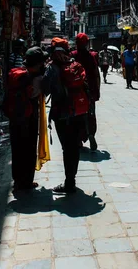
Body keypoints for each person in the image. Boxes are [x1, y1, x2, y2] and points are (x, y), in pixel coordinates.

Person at [43, 38, 89, 193]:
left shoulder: (52, 67)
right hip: (78, 112)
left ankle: (69, 183)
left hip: (62, 114)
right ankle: (71, 179)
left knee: (66, 148)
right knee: (74, 147)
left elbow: (45, 90)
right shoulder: (73, 65)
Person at [4, 47, 47, 191]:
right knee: (29, 149)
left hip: (15, 117)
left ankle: (18, 181)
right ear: (37, 64)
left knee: (17, 149)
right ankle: (27, 181)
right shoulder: (35, 78)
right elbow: (37, 95)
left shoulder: (16, 74)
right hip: (29, 117)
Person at [71, 33, 100, 151]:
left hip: (75, 90)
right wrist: (97, 90)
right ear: (87, 43)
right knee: (90, 113)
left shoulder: (72, 55)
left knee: (76, 114)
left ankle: (78, 139)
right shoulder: (91, 56)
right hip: (89, 90)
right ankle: (91, 133)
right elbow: (96, 74)